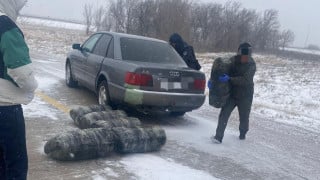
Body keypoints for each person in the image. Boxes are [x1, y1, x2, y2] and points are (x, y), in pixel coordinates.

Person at [0, 0, 38, 179]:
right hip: (5, 108)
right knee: (14, 167)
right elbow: (22, 73)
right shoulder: (6, 26)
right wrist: (32, 86)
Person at [211, 42, 256, 144]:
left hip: (246, 96)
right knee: (224, 114)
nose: (243, 55)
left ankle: (242, 134)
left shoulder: (251, 64)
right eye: (241, 52)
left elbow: (246, 80)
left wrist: (229, 79)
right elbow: (223, 69)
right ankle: (218, 137)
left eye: (246, 52)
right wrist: (213, 82)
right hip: (232, 94)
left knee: (244, 117)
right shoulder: (233, 60)